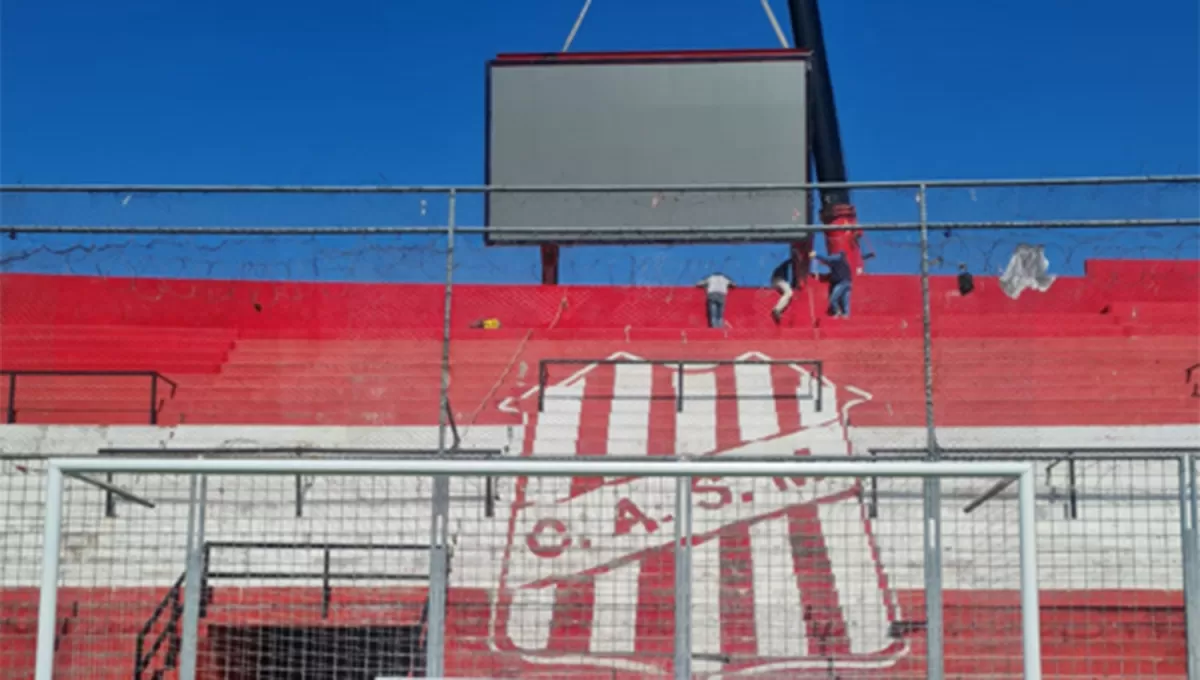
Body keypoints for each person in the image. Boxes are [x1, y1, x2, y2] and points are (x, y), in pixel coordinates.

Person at [810, 250, 852, 318]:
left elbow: (826, 259)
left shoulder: (835, 259)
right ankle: (846, 315)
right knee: (845, 300)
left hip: (841, 282)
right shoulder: (843, 262)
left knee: (833, 299)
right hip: (848, 282)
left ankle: (837, 312)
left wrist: (816, 255)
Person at [769, 258, 794, 324]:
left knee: (787, 296)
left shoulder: (781, 268)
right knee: (789, 292)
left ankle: (778, 310)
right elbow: (789, 261)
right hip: (778, 280)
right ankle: (776, 309)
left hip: (775, 281)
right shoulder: (784, 266)